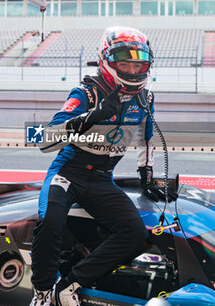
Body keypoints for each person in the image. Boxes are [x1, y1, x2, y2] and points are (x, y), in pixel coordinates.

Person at [29, 26, 176, 306]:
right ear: (106, 61)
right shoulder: (86, 92)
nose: (133, 70)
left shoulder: (147, 98)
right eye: (125, 63)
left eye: (139, 63)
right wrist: (92, 116)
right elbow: (44, 139)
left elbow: (147, 137)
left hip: (101, 179)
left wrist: (147, 177)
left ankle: (70, 286)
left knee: (134, 233)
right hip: (68, 172)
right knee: (49, 223)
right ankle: (42, 293)